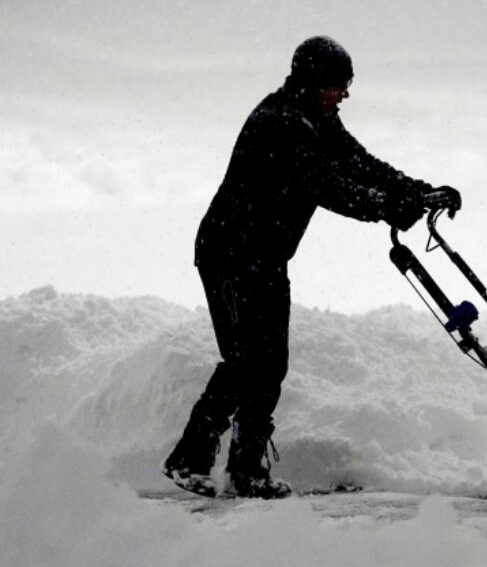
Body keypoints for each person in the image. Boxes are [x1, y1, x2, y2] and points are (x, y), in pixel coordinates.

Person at [162, 36, 460, 499]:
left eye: (347, 85)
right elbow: (326, 184)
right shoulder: (280, 122)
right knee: (246, 361)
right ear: (312, 81)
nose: (344, 93)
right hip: (230, 252)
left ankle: (246, 472)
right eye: (338, 85)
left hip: (263, 256)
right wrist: (386, 207)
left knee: (269, 364)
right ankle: (189, 459)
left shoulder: (316, 119)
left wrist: (418, 191)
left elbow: (358, 163)